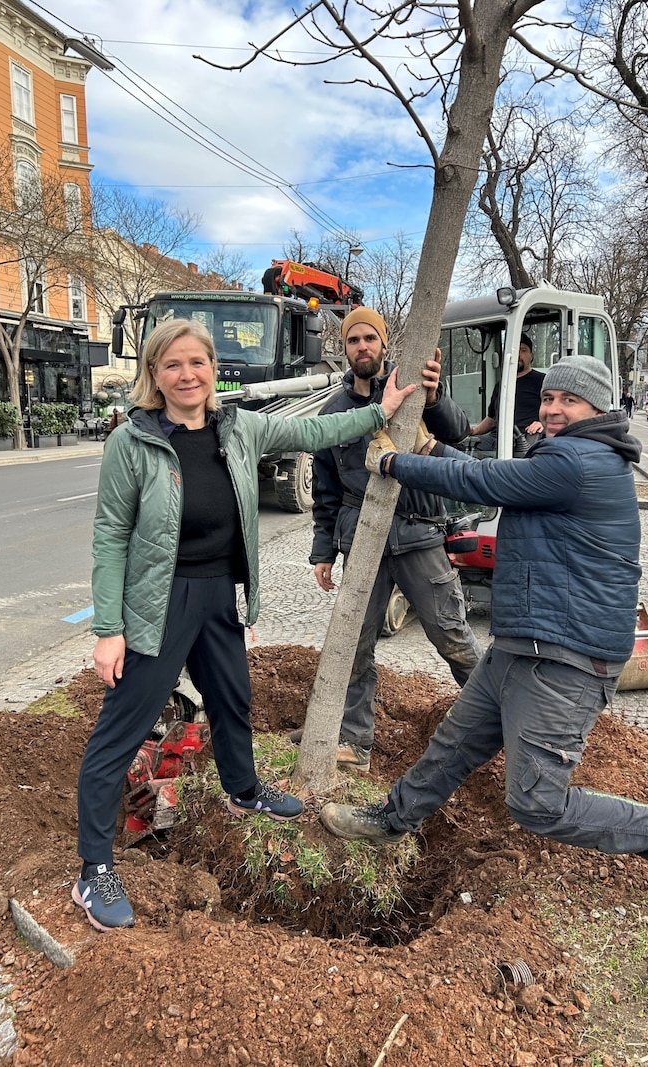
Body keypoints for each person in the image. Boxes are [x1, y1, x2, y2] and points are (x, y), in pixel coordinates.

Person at [320, 354, 648, 937]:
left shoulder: (582, 461)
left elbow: (485, 482)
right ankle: (392, 820)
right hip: (525, 644)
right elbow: (498, 475)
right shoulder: (561, 457)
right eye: (548, 399)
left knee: (537, 803)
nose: (553, 408)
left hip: (567, 657)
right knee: (455, 742)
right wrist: (435, 451)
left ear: (598, 408)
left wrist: (397, 461)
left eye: (569, 400)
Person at [72, 318, 417, 932]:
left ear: (212, 369)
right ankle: (93, 868)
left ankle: (243, 788)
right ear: (154, 375)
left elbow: (314, 429)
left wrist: (379, 410)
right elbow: (108, 536)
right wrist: (108, 628)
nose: (187, 375)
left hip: (219, 595)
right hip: (157, 602)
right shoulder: (134, 441)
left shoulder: (239, 426)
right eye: (172, 365)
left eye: (196, 363)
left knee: (233, 702)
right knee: (119, 733)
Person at [303, 307, 482, 773]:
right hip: (362, 541)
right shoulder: (335, 413)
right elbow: (325, 489)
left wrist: (434, 395)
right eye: (353, 340)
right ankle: (355, 742)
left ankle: (494, 721)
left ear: (383, 344)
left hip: (418, 534)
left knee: (453, 636)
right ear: (344, 349)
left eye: (369, 338)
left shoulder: (412, 389)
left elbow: (458, 431)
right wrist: (323, 551)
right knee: (356, 643)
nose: (362, 347)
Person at [467, 333, 544, 453]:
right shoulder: (501, 384)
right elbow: (491, 418)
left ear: (531, 356)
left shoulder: (542, 381)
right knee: (460, 446)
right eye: (514, 350)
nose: (518, 355)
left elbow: (554, 410)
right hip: (495, 438)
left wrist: (543, 423)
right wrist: (473, 431)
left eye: (523, 350)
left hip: (523, 439)